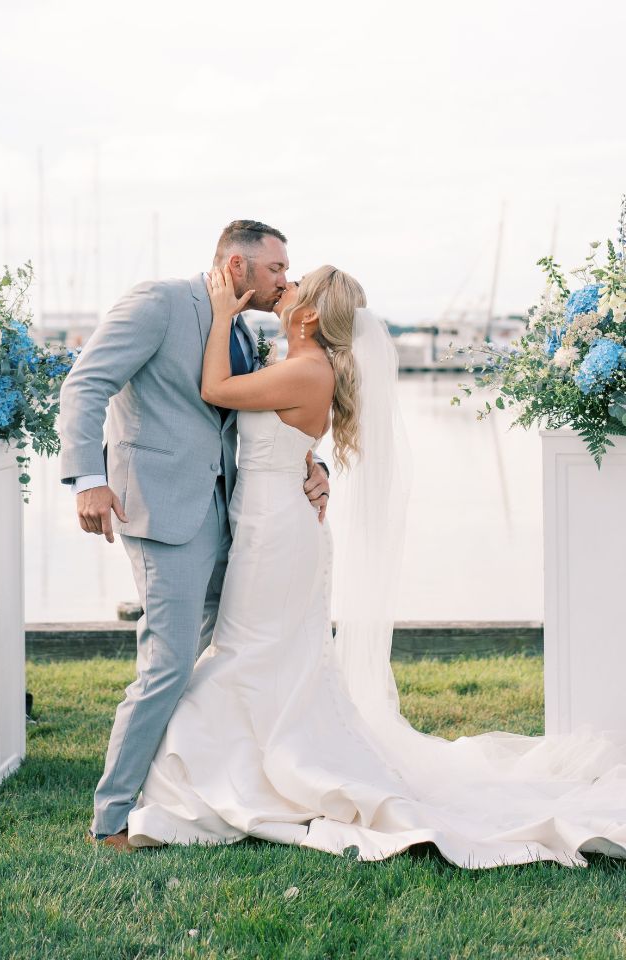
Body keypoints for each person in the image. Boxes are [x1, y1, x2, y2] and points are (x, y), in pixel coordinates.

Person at [122, 263, 626, 869]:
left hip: (277, 535)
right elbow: (277, 437)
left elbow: (216, 391)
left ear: (309, 316)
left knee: (244, 653)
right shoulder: (299, 364)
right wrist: (315, 467)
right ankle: (245, 763)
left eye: (294, 285)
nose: (284, 287)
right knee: (264, 655)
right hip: (268, 524)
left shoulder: (307, 370)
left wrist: (223, 312)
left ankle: (221, 769)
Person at [58, 220, 331, 850]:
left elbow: (257, 420)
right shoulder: (158, 302)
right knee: (169, 663)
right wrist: (88, 480)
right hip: (161, 509)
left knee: (215, 661)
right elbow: (86, 383)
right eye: (276, 269)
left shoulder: (240, 327)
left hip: (230, 514)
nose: (285, 281)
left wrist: (312, 467)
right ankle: (112, 817)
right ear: (236, 265)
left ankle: (188, 791)